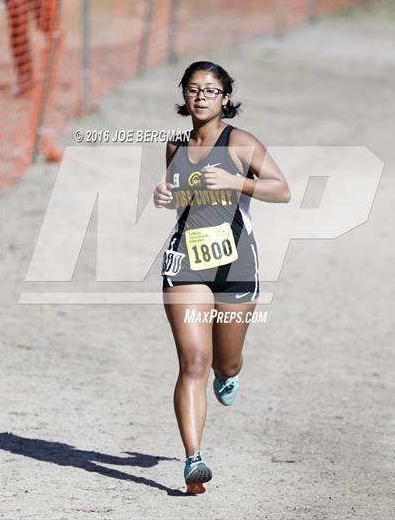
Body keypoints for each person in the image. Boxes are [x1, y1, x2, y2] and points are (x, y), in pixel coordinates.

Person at [153, 61, 291, 493]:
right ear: (184, 96)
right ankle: (194, 460)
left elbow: (281, 190)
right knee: (193, 361)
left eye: (211, 91)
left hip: (235, 267)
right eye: (193, 90)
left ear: (226, 98)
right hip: (186, 264)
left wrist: (238, 182)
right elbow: (182, 199)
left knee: (224, 361)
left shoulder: (241, 143)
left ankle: (228, 374)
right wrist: (164, 194)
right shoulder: (175, 147)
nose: (201, 97)